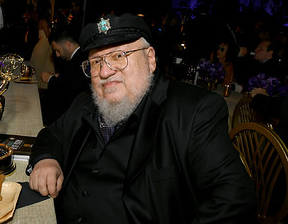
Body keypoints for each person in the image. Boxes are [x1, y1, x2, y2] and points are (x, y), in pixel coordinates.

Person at [28, 13, 257, 223]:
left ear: (150, 59)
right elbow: (52, 134)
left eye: (118, 56)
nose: (105, 72)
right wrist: (48, 160)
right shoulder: (85, 102)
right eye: (96, 62)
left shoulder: (193, 112)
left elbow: (235, 200)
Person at [39, 30, 90, 126]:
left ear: (67, 44)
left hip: (68, 116)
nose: (57, 55)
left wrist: (50, 79)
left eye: (57, 50)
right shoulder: (79, 56)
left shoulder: (79, 61)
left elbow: (67, 93)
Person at [30, 0, 55, 90]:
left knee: (42, 67)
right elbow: (48, 35)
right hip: (44, 46)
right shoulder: (44, 21)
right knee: (41, 67)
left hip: (44, 46)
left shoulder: (42, 20)